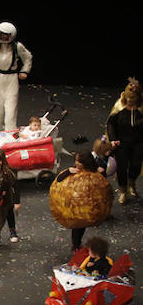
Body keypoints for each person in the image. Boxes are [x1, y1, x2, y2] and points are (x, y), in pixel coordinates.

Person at [106, 76, 143, 204]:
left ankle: (132, 182)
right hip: (122, 141)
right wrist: (112, 139)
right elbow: (110, 123)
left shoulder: (141, 109)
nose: (130, 104)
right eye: (128, 101)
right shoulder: (119, 107)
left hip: (138, 141)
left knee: (136, 165)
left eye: (133, 101)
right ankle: (123, 191)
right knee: (121, 167)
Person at [55, 151, 99, 251]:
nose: (76, 163)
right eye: (75, 160)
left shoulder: (93, 174)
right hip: (74, 204)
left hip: (86, 204)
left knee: (82, 226)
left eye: (78, 161)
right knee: (77, 226)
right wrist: (69, 171)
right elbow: (58, 179)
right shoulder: (73, 170)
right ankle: (76, 245)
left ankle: (77, 244)